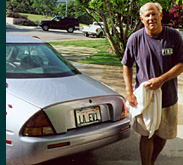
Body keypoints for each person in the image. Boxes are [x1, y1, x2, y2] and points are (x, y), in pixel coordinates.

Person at [121, 2, 183, 165]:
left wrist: (161, 80)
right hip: (145, 99)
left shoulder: (173, 36)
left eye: (154, 14)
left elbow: (181, 64)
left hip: (168, 98)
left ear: (161, 15)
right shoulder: (135, 39)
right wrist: (129, 91)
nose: (151, 18)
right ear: (142, 19)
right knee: (147, 134)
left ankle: (151, 162)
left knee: (162, 136)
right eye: (147, 15)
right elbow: (126, 64)